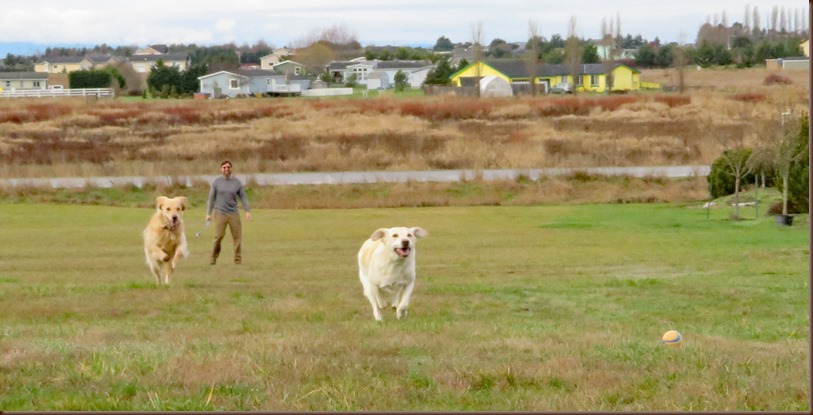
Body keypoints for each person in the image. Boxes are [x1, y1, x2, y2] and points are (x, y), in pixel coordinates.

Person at [206, 160, 252, 265]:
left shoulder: (237, 182)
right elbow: (211, 198)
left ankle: (237, 260)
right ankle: (213, 258)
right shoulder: (216, 182)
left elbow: (243, 197)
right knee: (218, 237)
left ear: (231, 169)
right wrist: (208, 214)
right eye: (224, 167)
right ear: (221, 169)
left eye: (228, 167)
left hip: (233, 213)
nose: (226, 169)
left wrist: (247, 211)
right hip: (220, 213)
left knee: (237, 237)